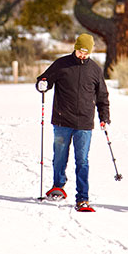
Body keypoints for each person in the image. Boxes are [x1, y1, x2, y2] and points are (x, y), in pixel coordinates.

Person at [36, 33, 110, 211]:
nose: (82, 55)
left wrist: (104, 117)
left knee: (82, 161)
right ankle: (57, 187)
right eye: (80, 51)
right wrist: (42, 85)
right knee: (59, 157)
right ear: (75, 48)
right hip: (62, 121)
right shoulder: (61, 64)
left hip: (84, 124)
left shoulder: (95, 70)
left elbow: (102, 96)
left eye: (86, 52)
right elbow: (43, 80)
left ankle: (82, 197)